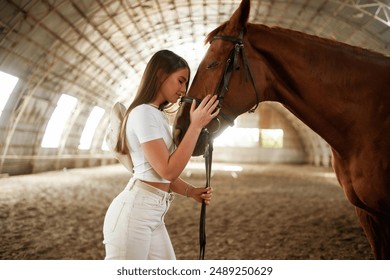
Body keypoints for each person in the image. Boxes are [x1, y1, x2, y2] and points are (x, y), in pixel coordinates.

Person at [103, 50, 220, 260]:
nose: (183, 90)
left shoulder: (156, 115)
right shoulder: (143, 113)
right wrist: (196, 126)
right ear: (160, 75)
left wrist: (190, 191)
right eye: (180, 81)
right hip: (135, 215)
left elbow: (157, 172)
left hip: (153, 214)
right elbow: (167, 170)